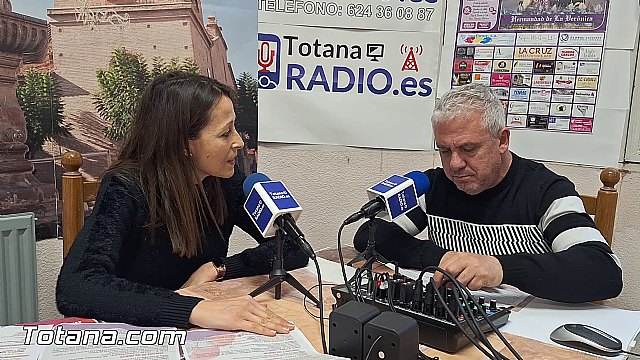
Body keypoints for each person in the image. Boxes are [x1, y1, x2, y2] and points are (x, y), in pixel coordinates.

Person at [57, 71, 309, 335]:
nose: (238, 142)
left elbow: (293, 247)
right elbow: (77, 286)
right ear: (182, 145)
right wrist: (191, 309)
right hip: (142, 334)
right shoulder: (125, 187)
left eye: (234, 128)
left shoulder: (226, 181)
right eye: (225, 134)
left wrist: (218, 269)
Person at [354, 83, 622, 303]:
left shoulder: (546, 191)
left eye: (469, 149)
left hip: (524, 328)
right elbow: (370, 234)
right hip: (456, 316)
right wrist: (441, 259)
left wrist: (500, 268)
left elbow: (603, 270)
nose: (455, 164)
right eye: (444, 150)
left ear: (502, 140)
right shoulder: (435, 185)